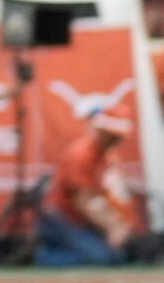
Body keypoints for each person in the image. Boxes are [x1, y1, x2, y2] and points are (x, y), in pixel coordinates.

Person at [38, 109, 139, 266]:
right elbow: (84, 202)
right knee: (101, 259)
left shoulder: (107, 156)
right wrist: (112, 228)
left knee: (117, 257)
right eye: (114, 136)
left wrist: (119, 224)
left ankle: (59, 249)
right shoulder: (81, 155)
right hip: (61, 216)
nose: (117, 141)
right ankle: (45, 256)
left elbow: (104, 197)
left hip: (81, 218)